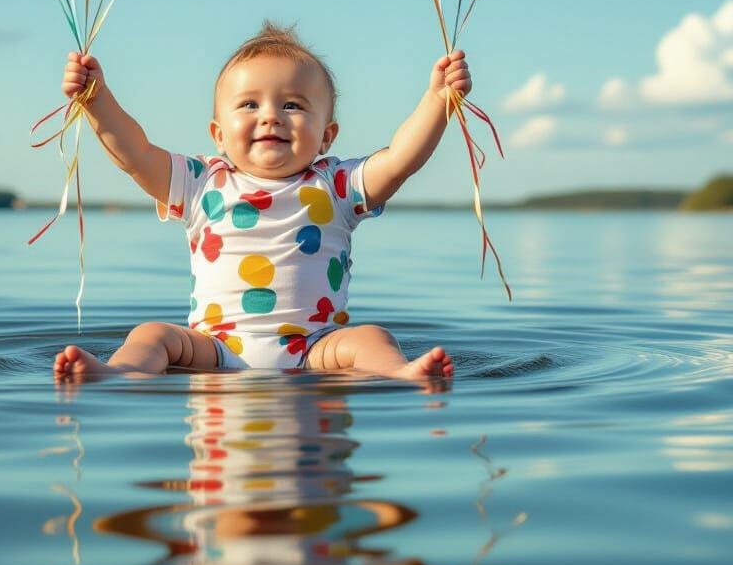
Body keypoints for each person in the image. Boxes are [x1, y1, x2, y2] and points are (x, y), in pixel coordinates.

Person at [53, 22, 471, 381]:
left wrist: (438, 100)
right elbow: (136, 154)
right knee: (153, 335)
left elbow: (399, 161)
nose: (270, 116)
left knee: (371, 338)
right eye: (249, 104)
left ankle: (397, 373)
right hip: (213, 348)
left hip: (314, 349)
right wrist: (96, 100)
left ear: (327, 135)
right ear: (218, 134)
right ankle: (123, 372)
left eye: (292, 104)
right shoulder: (201, 184)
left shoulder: (337, 186)